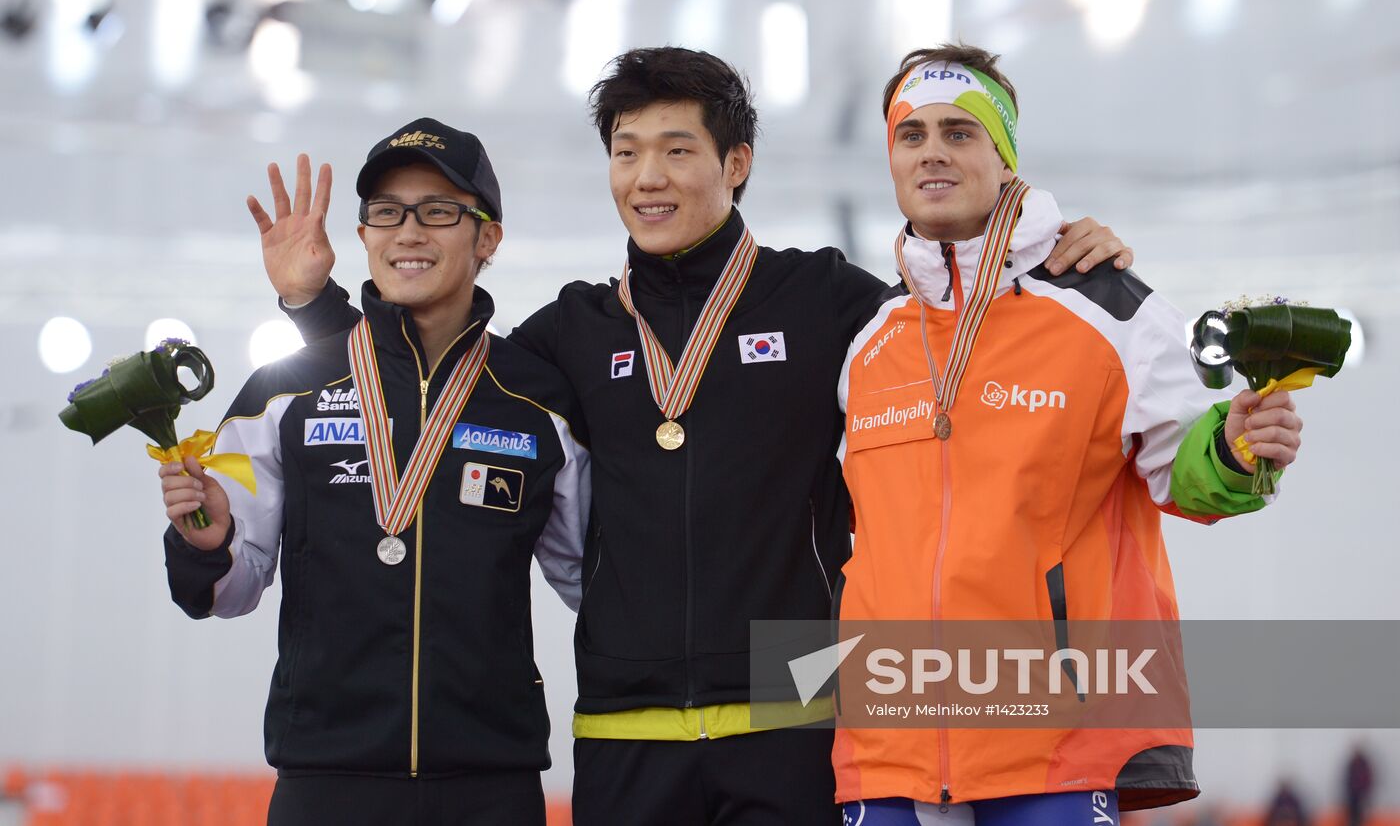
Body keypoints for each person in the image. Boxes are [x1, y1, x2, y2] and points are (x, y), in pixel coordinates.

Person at [274, 48, 1130, 825]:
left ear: (735, 164)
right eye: (627, 151)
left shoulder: (826, 299)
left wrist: (1047, 253)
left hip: (794, 717)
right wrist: (318, 310)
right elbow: (436, 379)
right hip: (623, 729)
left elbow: (962, 335)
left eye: (677, 149)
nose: (649, 175)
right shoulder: (570, 331)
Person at [834, 44, 1305, 824]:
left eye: (961, 131)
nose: (933, 153)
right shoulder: (869, 342)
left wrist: (1237, 446)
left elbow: (1186, 465)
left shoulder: (1106, 306)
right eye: (911, 136)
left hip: (1054, 742)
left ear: (1004, 154)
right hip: (889, 749)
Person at [157, 119, 589, 826]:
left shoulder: (538, 400)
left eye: (439, 211)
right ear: (363, 236)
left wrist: (782, 668)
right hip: (326, 780)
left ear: (488, 238)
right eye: (386, 213)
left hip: (491, 785)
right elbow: (229, 589)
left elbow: (593, 580)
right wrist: (205, 541)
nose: (408, 232)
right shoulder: (286, 387)